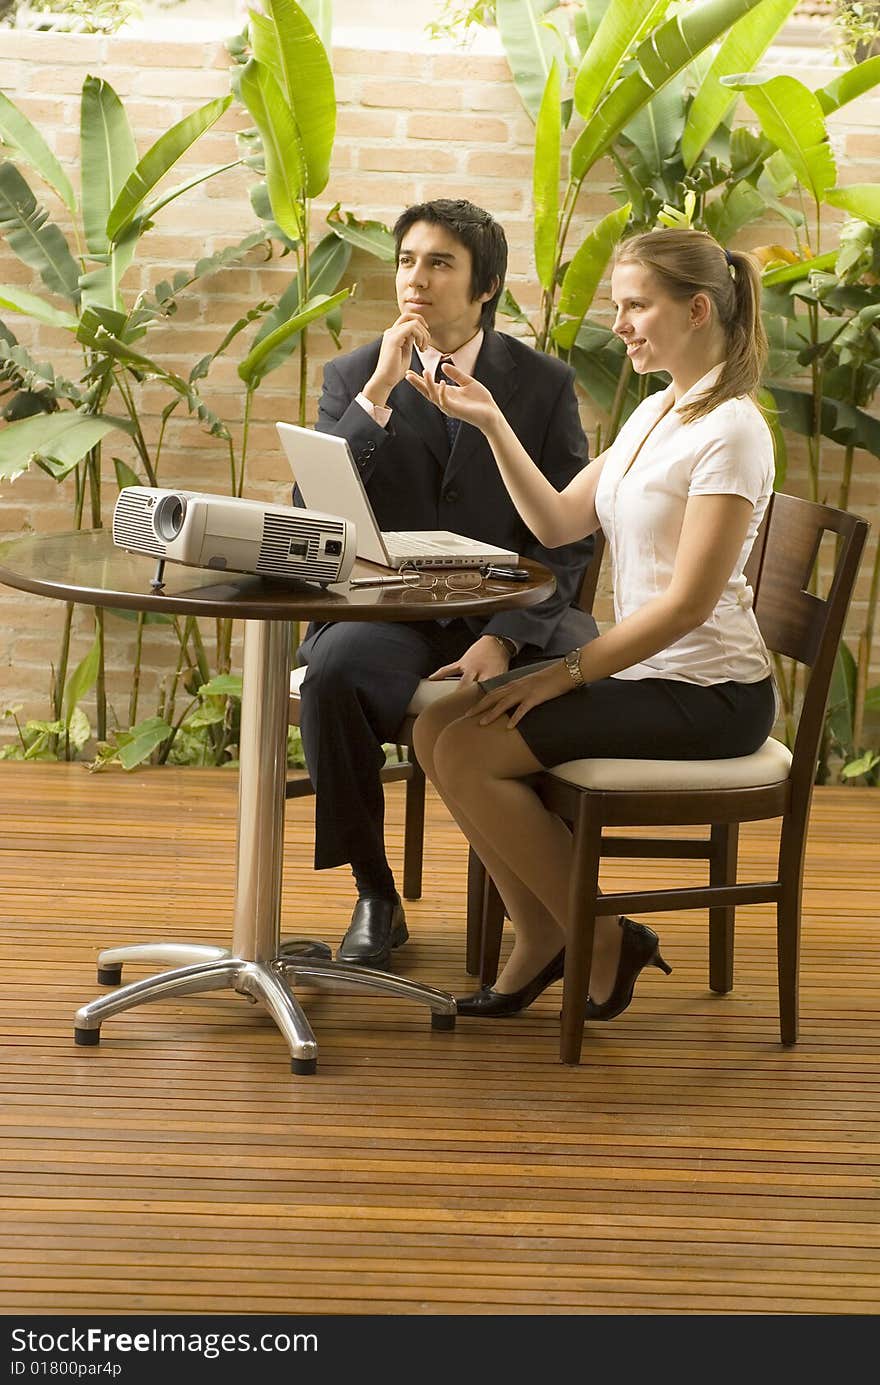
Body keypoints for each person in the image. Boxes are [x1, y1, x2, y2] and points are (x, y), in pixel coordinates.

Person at [410, 227, 777, 1020]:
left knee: (470, 744)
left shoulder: (733, 431)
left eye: (638, 306)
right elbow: (555, 522)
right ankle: (546, 932)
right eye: (620, 305)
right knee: (437, 728)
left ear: (698, 309)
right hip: (648, 675)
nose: (621, 323)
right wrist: (490, 423)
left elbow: (686, 606)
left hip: (710, 692)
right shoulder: (656, 414)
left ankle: (599, 940)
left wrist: (559, 673)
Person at [296, 198, 597, 970]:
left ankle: (546, 908)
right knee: (332, 671)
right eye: (406, 261)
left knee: (552, 696)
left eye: (439, 263)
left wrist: (506, 637)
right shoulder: (353, 374)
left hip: (508, 616)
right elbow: (313, 514)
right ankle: (374, 892)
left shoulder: (542, 384)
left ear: (485, 284)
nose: (416, 280)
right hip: (391, 615)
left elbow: (570, 539)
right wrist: (376, 398)